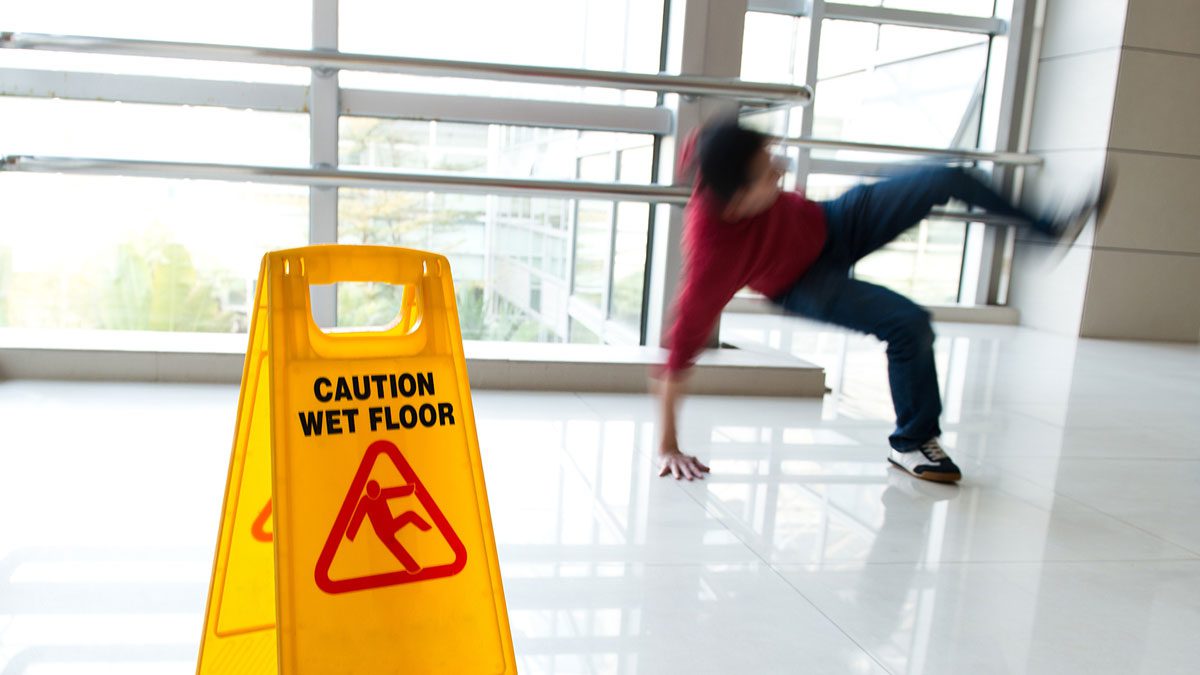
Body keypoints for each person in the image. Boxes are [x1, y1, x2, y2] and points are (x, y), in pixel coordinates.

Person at [656, 118, 1110, 484]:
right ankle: (912, 442)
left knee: (947, 176)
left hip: (832, 222)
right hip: (803, 281)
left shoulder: (721, 158)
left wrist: (710, 142)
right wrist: (669, 446)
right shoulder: (713, 256)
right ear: (735, 203)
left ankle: (1043, 229)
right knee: (908, 323)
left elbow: (703, 138)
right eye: (767, 174)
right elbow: (677, 357)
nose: (780, 172)